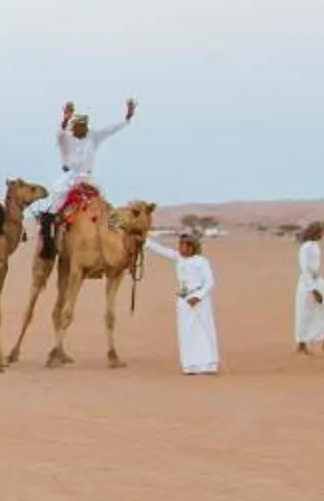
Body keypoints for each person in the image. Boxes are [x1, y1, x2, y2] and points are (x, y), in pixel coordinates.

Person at [26, 97, 137, 257]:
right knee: (57, 201)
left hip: (87, 178)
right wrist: (65, 118)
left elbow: (110, 129)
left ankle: (114, 233)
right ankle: (49, 239)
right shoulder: (67, 138)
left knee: (104, 201)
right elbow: (60, 134)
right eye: (77, 126)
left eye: (83, 126)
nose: (80, 129)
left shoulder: (93, 136)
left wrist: (127, 117)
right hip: (69, 178)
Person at [144, 231, 219, 374]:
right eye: (180, 244)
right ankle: (190, 365)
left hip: (199, 301)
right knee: (186, 332)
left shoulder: (201, 261)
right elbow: (160, 250)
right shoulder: (178, 258)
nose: (182, 248)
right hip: (184, 300)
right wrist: (144, 241)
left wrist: (198, 296)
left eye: (185, 245)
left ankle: (208, 364)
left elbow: (210, 282)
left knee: (203, 331)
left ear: (192, 247)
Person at [293, 221, 324, 353]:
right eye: (321, 231)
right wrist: (313, 289)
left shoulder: (315, 246)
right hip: (308, 283)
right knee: (305, 312)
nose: (323, 234)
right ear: (315, 233)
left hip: (319, 280)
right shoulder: (306, 247)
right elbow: (305, 269)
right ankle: (301, 344)